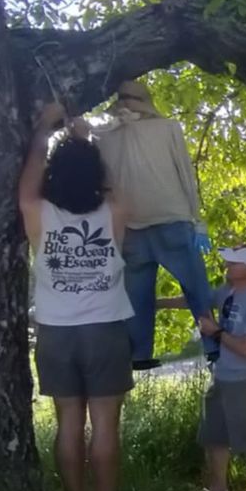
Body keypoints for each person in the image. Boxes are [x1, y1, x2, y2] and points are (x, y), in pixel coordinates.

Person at [17, 103, 134, 491]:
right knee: (105, 424)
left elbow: (27, 186)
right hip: (105, 328)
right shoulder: (114, 211)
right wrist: (88, 139)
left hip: (55, 331)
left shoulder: (38, 213)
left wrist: (44, 133)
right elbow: (114, 181)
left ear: (53, 177)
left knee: (69, 420)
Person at [92, 80, 217, 371]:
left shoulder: (103, 137)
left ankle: (139, 354)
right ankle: (213, 344)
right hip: (171, 218)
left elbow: (103, 185)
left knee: (137, 295)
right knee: (195, 288)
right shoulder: (168, 128)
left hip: (130, 226)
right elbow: (186, 173)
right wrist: (197, 219)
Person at [162, 246, 246, 491]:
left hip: (243, 380)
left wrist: (215, 332)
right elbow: (195, 301)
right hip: (220, 376)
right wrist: (154, 303)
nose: (227, 265)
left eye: (234, 263)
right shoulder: (228, 291)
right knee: (214, 437)